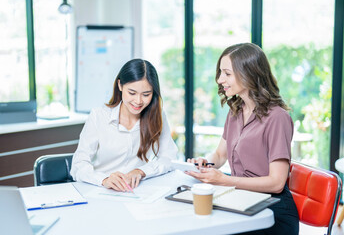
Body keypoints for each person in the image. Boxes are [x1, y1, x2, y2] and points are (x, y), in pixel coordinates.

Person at [186, 43, 299, 234]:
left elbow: (277, 182)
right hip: (242, 199)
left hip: (272, 211)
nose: (220, 79)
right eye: (220, 73)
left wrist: (225, 180)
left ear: (249, 74)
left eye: (227, 73)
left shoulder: (277, 117)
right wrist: (206, 163)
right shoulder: (236, 111)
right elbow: (220, 155)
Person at [71, 58, 178, 192]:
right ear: (120, 85)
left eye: (146, 94)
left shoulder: (157, 116)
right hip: (101, 191)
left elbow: (169, 158)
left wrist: (141, 171)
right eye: (132, 93)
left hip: (138, 192)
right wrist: (103, 180)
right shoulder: (98, 117)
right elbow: (78, 165)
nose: (138, 101)